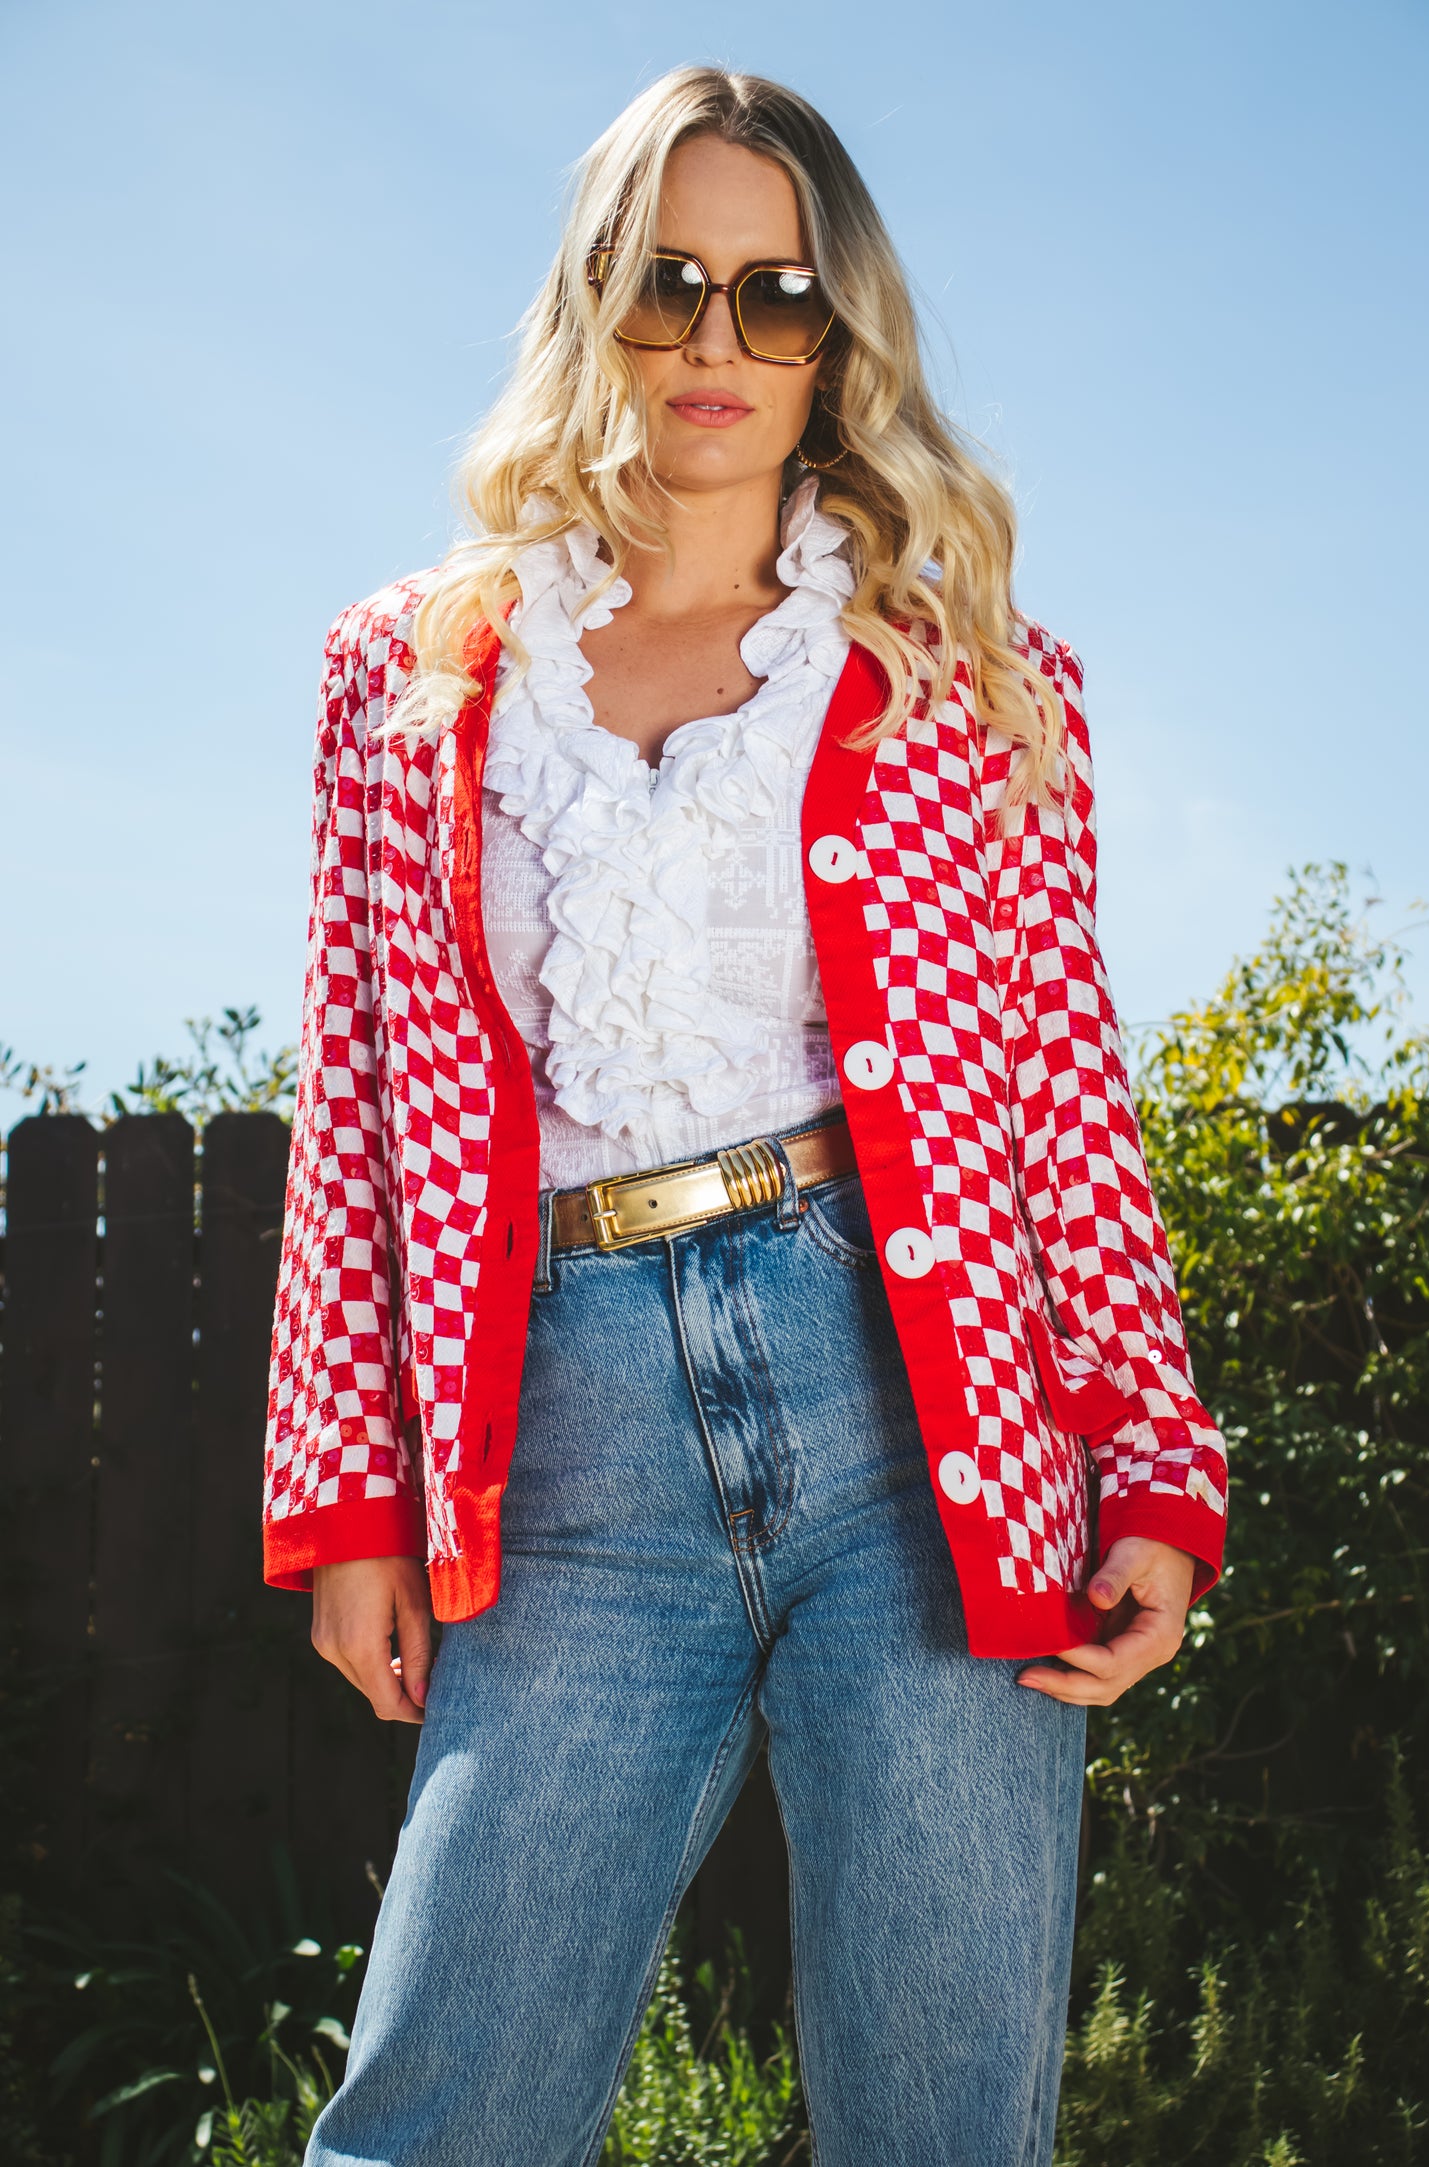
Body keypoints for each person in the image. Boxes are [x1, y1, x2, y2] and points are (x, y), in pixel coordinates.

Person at [263, 64, 1227, 2167]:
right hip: (570, 1438)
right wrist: (348, 1500)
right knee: (433, 2115)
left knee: (943, 2124)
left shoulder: (968, 670)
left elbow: (1061, 1079)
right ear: (591, 302)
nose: (716, 339)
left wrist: (1151, 1458)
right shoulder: (406, 674)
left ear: (834, 332)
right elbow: (356, 1095)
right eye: (667, 283)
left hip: (921, 1422)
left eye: (775, 295)